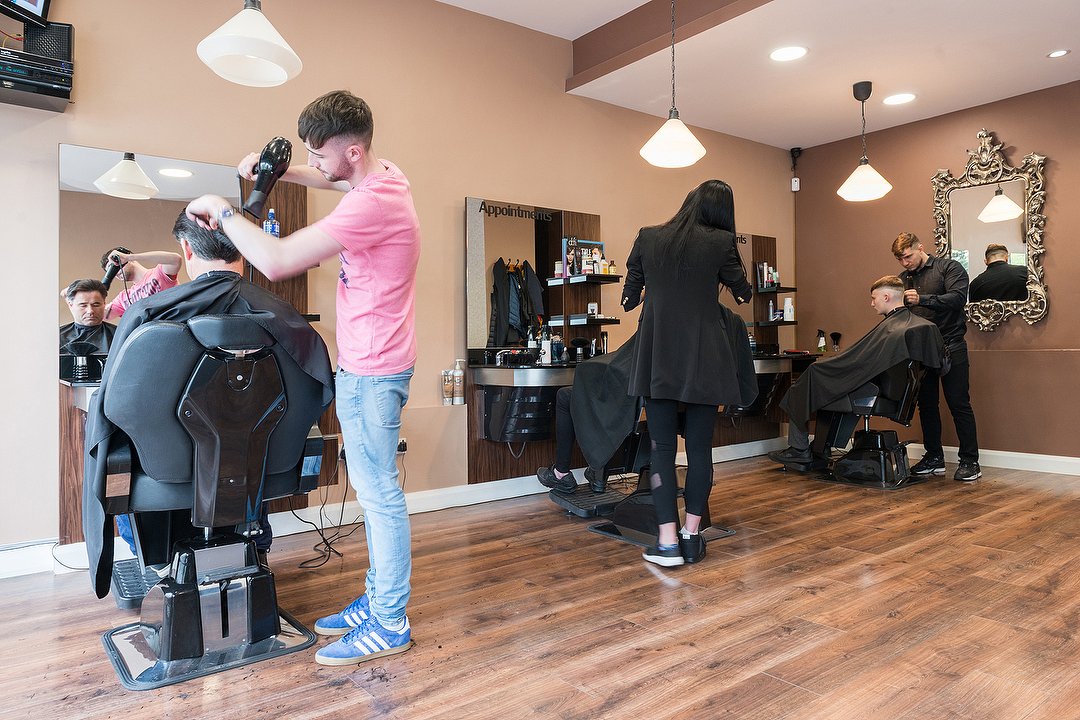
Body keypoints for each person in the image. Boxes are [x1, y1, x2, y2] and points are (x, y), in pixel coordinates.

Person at [185, 90, 421, 666]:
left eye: (320, 153)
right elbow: (332, 181)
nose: (315, 164)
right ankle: (378, 598)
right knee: (376, 492)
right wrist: (279, 169)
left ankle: (390, 621)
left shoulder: (372, 204)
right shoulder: (384, 177)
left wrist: (222, 212)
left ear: (355, 150)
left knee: (379, 495)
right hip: (378, 359)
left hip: (373, 367)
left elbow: (278, 260)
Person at [82, 212, 334, 602]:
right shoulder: (289, 321)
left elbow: (113, 409)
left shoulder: (148, 314)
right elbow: (318, 392)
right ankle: (248, 550)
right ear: (246, 250)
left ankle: (162, 564)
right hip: (266, 470)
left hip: (164, 473)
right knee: (245, 448)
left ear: (186, 248)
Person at [621, 179, 754, 568]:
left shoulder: (648, 237)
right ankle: (692, 537)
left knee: (662, 449)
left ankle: (666, 544)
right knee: (699, 450)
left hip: (658, 354)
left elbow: (629, 300)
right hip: (704, 357)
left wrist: (657, 292)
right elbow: (744, 294)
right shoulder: (721, 243)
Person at [768, 276, 946, 466]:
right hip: (891, 393)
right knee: (824, 384)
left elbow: (859, 361)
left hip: (874, 390)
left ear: (886, 297)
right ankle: (820, 450)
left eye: (874, 298)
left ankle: (799, 450)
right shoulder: (916, 325)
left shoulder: (894, 329)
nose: (871, 303)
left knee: (808, 381)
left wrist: (824, 367)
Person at [893, 232, 981, 481]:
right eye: (900, 259)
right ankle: (934, 458)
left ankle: (970, 461)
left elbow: (956, 299)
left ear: (920, 247)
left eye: (908, 256)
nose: (905, 263)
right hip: (921, 350)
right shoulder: (903, 279)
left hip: (951, 345)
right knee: (927, 406)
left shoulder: (948, 268)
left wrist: (923, 299)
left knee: (959, 404)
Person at [536, 335, 641, 495]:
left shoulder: (654, 317)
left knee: (565, 396)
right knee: (597, 404)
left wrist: (588, 366)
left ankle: (561, 473)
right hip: (651, 396)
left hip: (632, 397)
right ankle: (597, 472)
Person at [99, 246, 183, 321]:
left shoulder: (159, 273)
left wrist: (129, 257)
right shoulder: (123, 298)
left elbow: (176, 260)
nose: (116, 274)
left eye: (114, 267)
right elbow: (99, 314)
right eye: (111, 272)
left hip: (173, 325)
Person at [60, 279, 116, 353]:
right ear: (71, 305)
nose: (90, 311)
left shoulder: (118, 335)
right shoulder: (57, 337)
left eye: (96, 305)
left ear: (104, 304)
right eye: (83, 305)